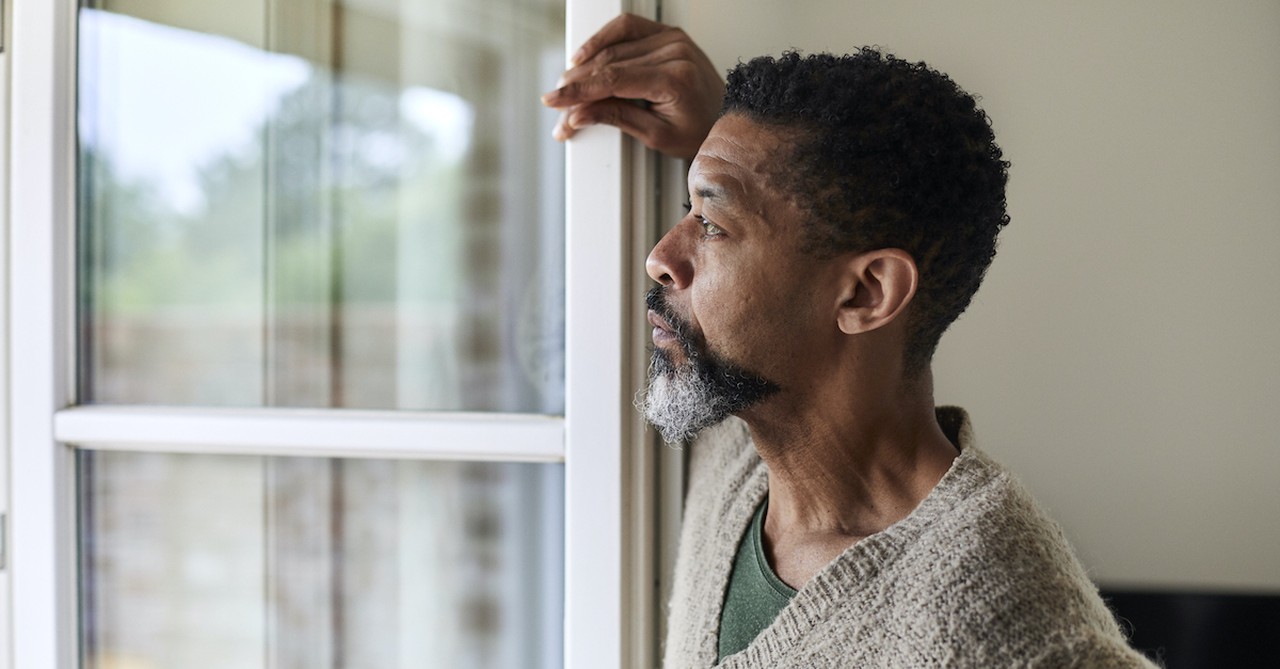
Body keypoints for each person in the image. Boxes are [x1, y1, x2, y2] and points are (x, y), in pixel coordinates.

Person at [544, 14, 1157, 668]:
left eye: (712, 226)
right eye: (689, 210)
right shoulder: (745, 433)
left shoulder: (1005, 628)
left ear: (867, 293)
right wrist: (714, 141)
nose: (661, 257)